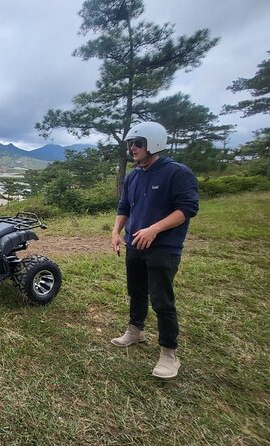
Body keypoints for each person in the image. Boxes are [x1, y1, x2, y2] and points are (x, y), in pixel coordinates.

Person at [110, 121, 199, 379]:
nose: (133, 148)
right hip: (135, 244)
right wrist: (116, 233)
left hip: (163, 247)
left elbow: (187, 209)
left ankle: (169, 353)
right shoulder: (134, 175)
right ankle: (135, 331)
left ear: (154, 143)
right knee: (136, 291)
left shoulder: (176, 172)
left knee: (161, 298)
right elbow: (124, 206)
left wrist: (154, 229)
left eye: (138, 143)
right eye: (130, 144)